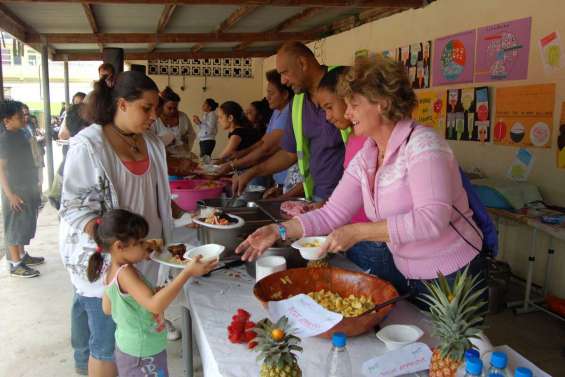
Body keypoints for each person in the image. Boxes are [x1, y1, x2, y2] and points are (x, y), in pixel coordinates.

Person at [236, 56, 487, 309]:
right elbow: (333, 213)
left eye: (354, 105)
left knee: (454, 349)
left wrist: (358, 232)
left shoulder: (423, 145)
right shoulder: (367, 155)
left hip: (454, 274)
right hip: (410, 274)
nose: (347, 113)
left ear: (383, 103)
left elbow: (431, 219)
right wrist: (278, 230)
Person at [59, 71, 177, 376]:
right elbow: (72, 206)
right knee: (106, 344)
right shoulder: (89, 145)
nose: (154, 116)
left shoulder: (150, 143)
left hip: (142, 256)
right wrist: (113, 243)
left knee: (130, 334)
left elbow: (152, 191)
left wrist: (167, 214)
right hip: (110, 262)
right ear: (122, 104)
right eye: (147, 108)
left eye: (156, 108)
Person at [86, 209, 217, 377]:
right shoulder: (126, 273)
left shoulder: (112, 269)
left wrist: (149, 293)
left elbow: (108, 308)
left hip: (131, 348)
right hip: (142, 353)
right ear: (119, 246)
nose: (145, 245)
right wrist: (187, 273)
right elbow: (155, 305)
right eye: (140, 242)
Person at [232, 41, 346, 203]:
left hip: (349, 198)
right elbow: (289, 153)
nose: (283, 81)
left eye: (285, 73)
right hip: (317, 196)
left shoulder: (342, 81)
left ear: (302, 63)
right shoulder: (298, 102)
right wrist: (252, 172)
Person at [218, 69, 303, 199]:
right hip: (281, 182)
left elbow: (266, 149)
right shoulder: (277, 111)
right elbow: (262, 142)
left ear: (285, 94)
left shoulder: (289, 114)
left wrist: (233, 165)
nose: (267, 97)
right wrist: (241, 155)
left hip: (293, 184)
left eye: (271, 93)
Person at [0, 100, 44, 278]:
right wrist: (10, 194)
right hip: (15, 188)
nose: (24, 119)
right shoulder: (5, 140)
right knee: (15, 225)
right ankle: (15, 263)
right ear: (7, 120)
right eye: (19, 117)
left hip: (27, 185)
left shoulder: (20, 133)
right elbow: (1, 169)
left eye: (24, 115)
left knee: (25, 222)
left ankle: (22, 255)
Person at [153, 86, 196, 156]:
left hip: (182, 155)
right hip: (163, 157)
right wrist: (165, 141)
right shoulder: (156, 120)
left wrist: (185, 139)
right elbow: (150, 141)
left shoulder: (183, 117)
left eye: (175, 108)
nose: (173, 111)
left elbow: (192, 134)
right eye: (169, 108)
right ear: (162, 106)